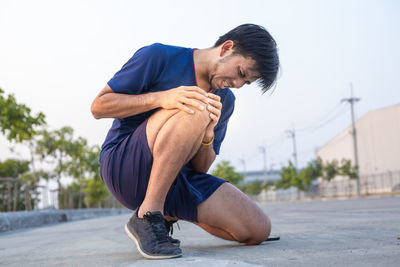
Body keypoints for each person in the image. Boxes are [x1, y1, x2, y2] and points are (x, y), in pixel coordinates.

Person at [91, 24, 279, 259]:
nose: (239, 84)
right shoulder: (158, 56)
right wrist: (164, 98)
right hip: (125, 168)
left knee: (258, 230)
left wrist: (208, 134)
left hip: (176, 181)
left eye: (247, 82)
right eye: (241, 73)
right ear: (227, 48)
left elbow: (200, 169)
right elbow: (99, 107)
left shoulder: (225, 101)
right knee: (194, 105)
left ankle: (166, 215)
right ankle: (147, 215)